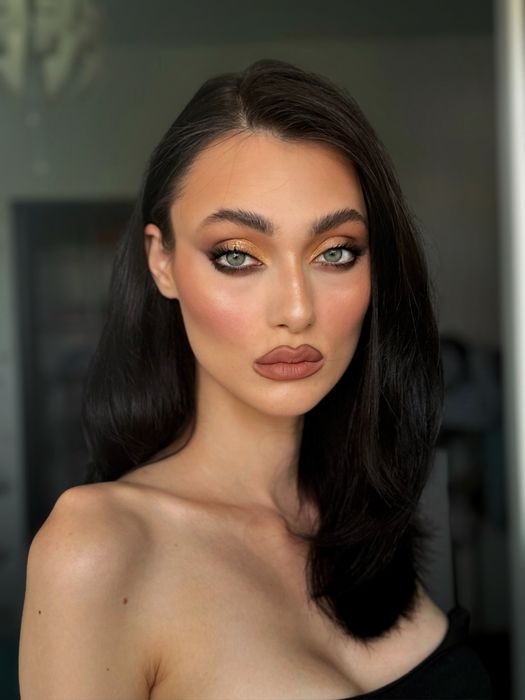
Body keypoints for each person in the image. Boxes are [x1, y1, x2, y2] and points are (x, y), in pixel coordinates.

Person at [18, 59, 493, 699]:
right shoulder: (100, 547)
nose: (296, 309)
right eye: (237, 256)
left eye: (335, 252)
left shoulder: (362, 515)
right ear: (162, 262)